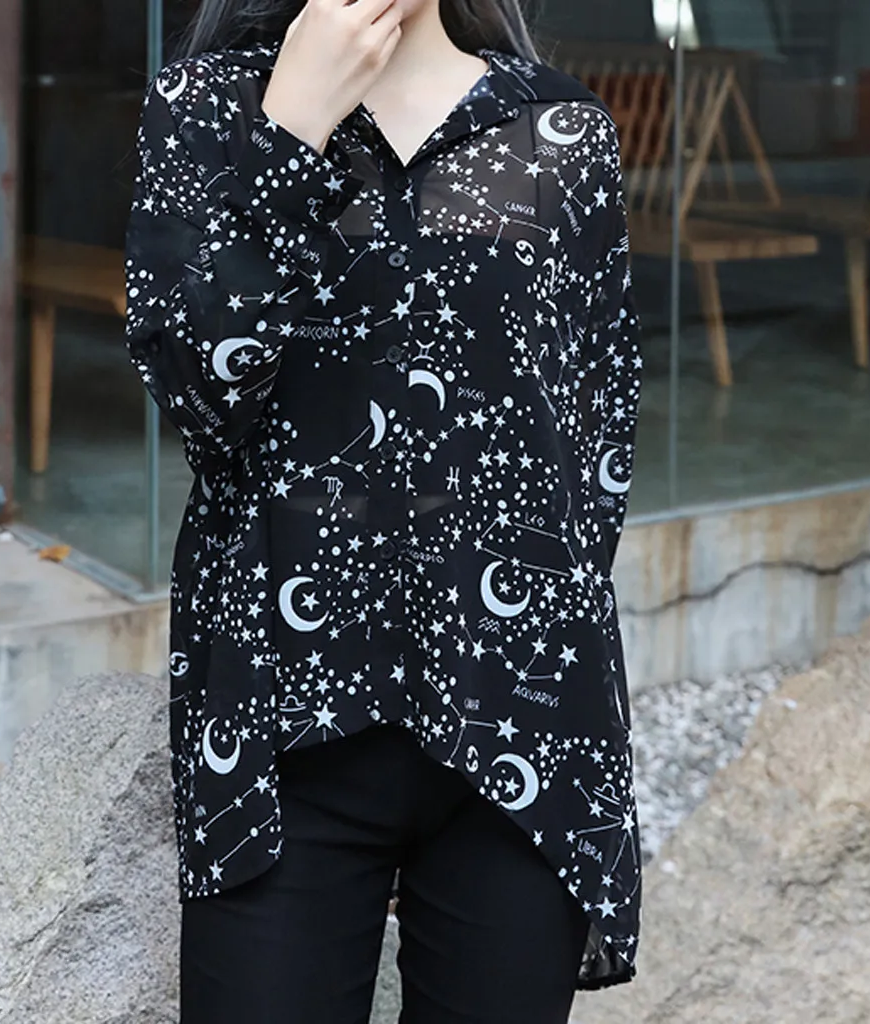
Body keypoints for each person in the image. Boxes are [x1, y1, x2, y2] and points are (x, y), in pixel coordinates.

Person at [124, 0, 643, 1020]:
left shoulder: (559, 129)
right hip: (282, 734)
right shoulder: (207, 108)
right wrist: (291, 128)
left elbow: (595, 438)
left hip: (517, 719)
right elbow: (199, 398)